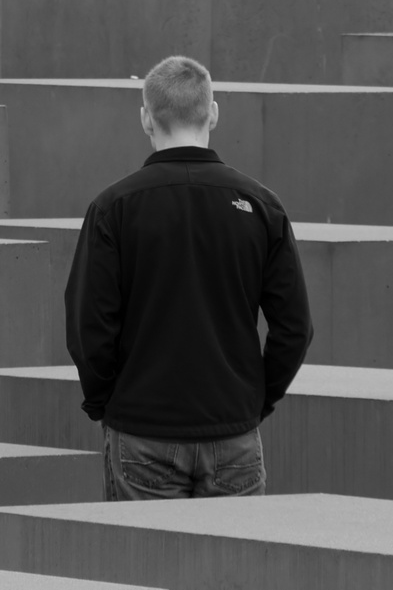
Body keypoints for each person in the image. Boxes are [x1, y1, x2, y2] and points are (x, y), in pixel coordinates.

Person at [65, 55, 312, 498]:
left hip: (141, 430)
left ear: (146, 119)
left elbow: (88, 326)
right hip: (232, 430)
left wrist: (108, 403)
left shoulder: (112, 208)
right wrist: (252, 401)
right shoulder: (261, 206)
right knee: (235, 566)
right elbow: (294, 328)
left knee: (143, 566)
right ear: (212, 113)